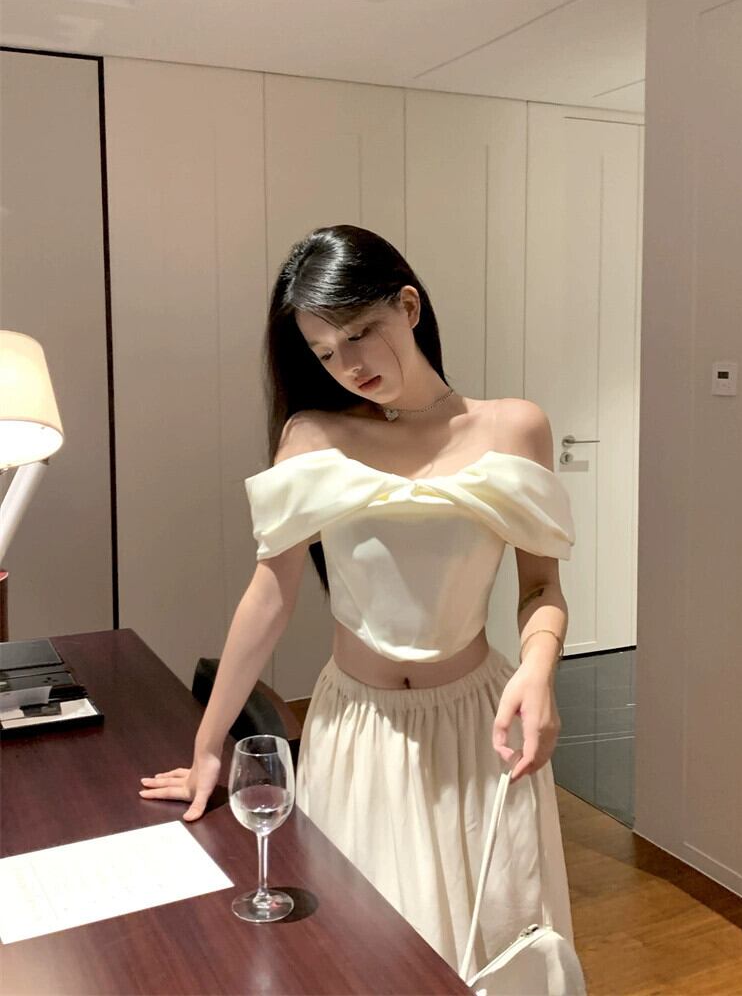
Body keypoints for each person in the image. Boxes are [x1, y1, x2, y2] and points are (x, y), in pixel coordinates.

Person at [139, 224, 579, 978]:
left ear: (408, 306)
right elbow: (269, 596)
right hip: (358, 732)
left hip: (477, 732)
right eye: (323, 352)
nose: (348, 365)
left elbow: (540, 586)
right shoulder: (314, 434)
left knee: (487, 948)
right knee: (357, 954)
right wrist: (208, 746)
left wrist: (538, 672)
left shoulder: (514, 426)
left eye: (359, 333)